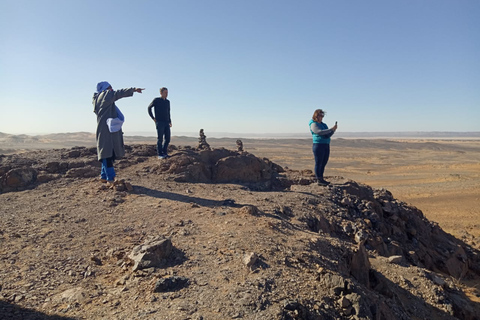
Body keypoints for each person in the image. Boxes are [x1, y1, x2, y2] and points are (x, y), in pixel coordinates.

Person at [93, 81, 144, 185]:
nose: (112, 89)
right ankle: (111, 179)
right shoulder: (105, 95)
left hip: (103, 128)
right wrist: (133, 89)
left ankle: (103, 176)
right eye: (110, 87)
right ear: (106, 88)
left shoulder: (98, 98)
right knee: (107, 154)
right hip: (107, 129)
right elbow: (118, 93)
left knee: (105, 152)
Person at [309, 109, 338, 185]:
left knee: (324, 162)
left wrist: (333, 130)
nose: (322, 117)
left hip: (326, 145)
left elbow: (327, 134)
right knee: (318, 162)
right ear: (316, 115)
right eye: (320, 115)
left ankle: (321, 178)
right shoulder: (313, 124)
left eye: (322, 115)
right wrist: (331, 129)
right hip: (318, 145)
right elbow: (319, 132)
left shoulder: (324, 124)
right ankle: (318, 179)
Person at [147, 87, 172, 159]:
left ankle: (165, 152)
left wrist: (170, 121)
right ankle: (160, 154)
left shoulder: (167, 102)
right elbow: (149, 108)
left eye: (167, 92)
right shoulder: (156, 100)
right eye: (165, 92)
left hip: (166, 122)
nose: (167, 94)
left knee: (167, 138)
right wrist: (153, 118)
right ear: (161, 93)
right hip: (159, 122)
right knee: (160, 138)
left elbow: (168, 112)